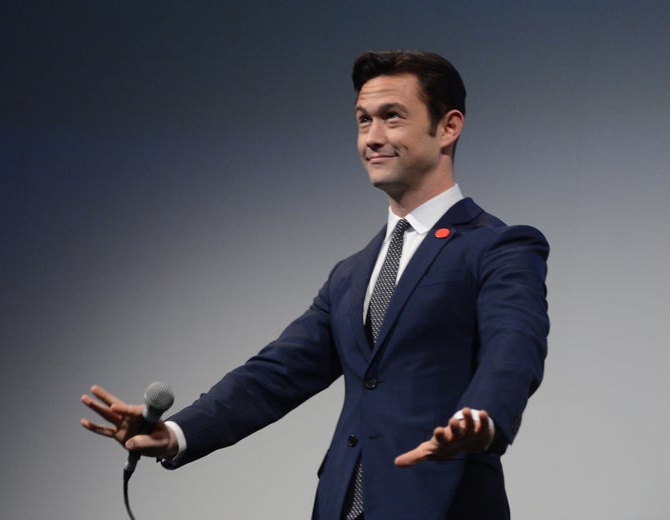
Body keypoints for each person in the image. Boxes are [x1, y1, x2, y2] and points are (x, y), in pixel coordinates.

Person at [81, 50, 549, 519]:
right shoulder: (351, 273)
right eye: (363, 120)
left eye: (392, 118)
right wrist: (178, 433)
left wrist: (481, 416)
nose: (373, 137)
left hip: (445, 504)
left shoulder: (498, 246)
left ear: (448, 127)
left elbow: (515, 346)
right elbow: (274, 375)